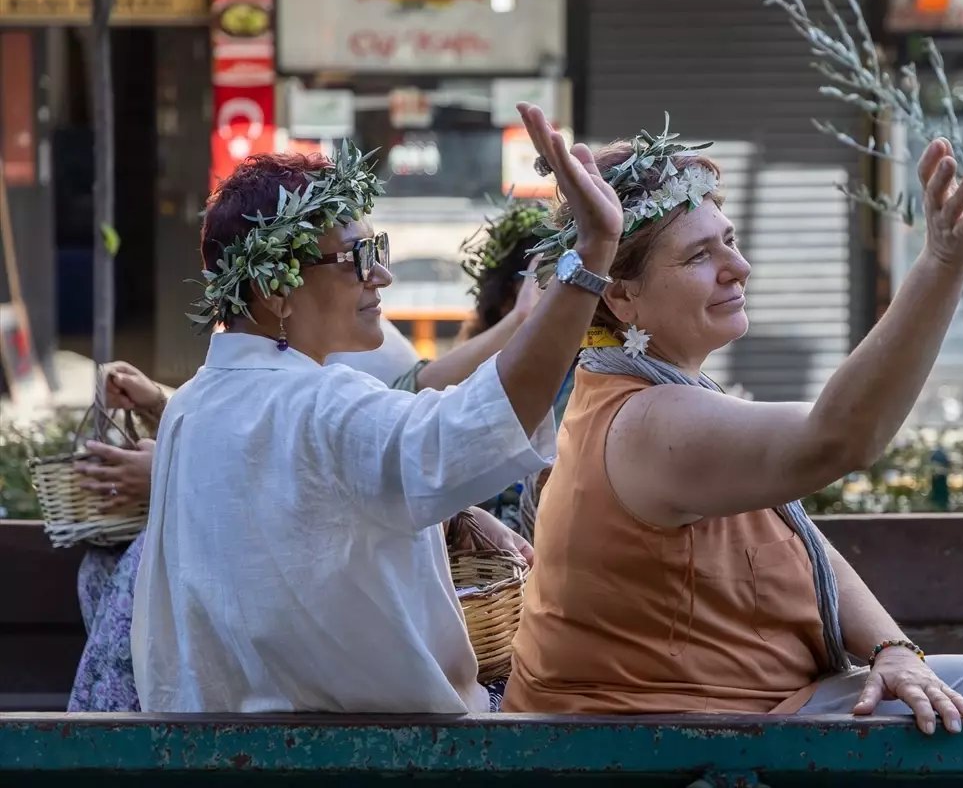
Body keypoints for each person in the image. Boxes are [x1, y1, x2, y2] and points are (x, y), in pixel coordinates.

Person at [502, 127, 963, 734]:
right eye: (699, 256)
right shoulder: (647, 422)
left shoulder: (646, 395)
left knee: (958, 685)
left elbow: (800, 542)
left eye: (731, 241)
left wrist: (891, 649)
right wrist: (942, 264)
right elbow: (838, 436)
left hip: (724, 730)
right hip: (667, 752)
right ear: (621, 296)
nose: (737, 267)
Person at [130, 105, 623, 713]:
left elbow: (308, 528)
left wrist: (454, 513)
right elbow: (481, 423)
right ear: (275, 289)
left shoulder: (194, 406)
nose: (382, 276)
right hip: (372, 759)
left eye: (379, 250)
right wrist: (592, 256)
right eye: (360, 258)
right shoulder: (316, 405)